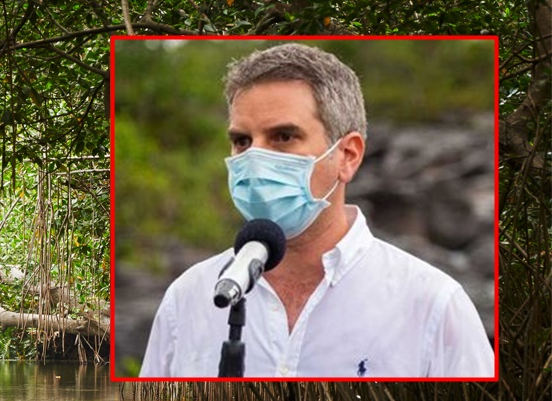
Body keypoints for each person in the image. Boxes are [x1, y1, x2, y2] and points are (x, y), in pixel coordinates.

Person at [139, 43, 494, 378]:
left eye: (283, 137)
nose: (254, 158)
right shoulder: (187, 299)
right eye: (242, 141)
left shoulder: (432, 306)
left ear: (348, 156)